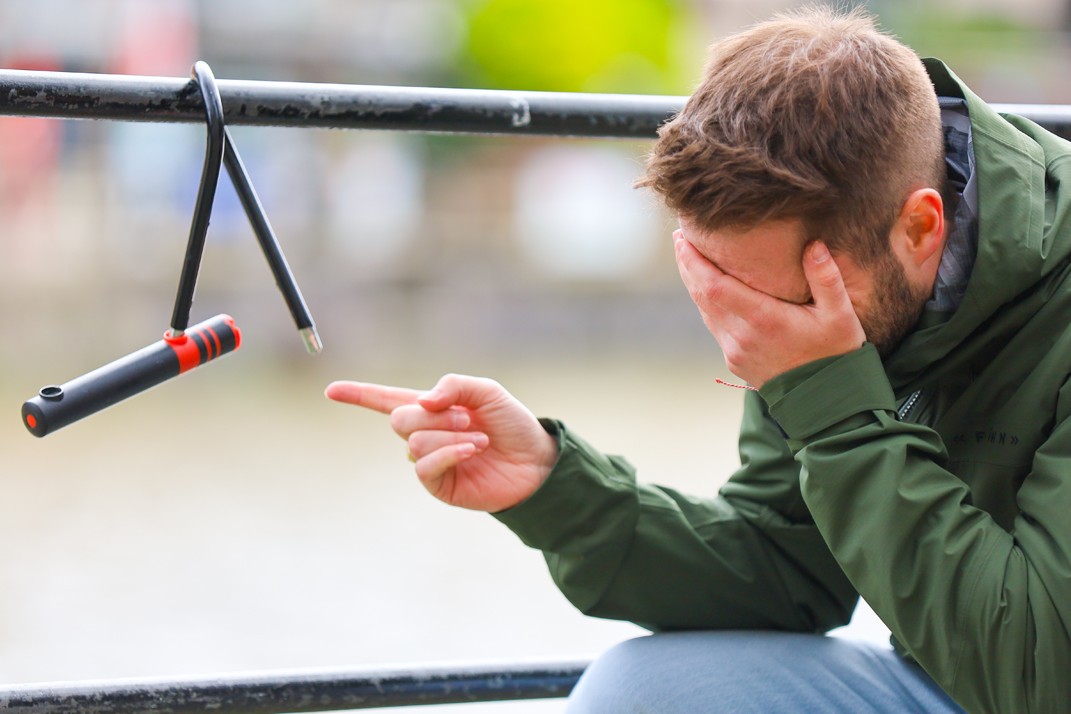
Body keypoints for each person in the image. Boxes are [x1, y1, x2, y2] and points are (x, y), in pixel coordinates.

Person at [326, 6, 1071, 712]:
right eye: (718, 294)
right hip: (965, 675)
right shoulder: (818, 286)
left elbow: (1044, 679)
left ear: (919, 227)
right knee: (641, 692)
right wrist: (554, 489)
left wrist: (832, 403)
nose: (745, 341)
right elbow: (787, 570)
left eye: (772, 304)